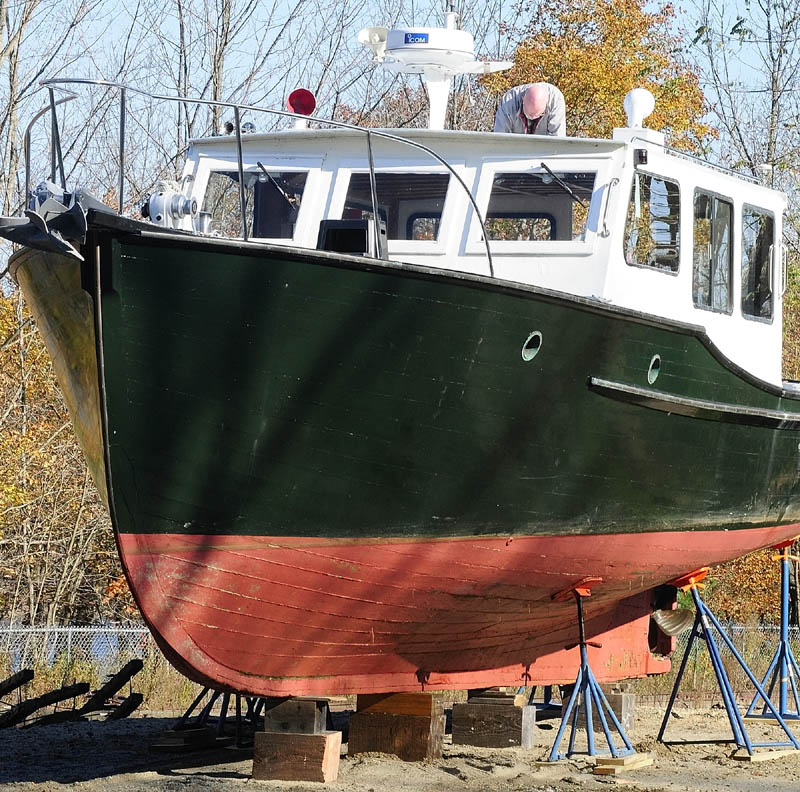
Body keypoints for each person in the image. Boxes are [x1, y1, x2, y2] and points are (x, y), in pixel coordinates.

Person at [493, 82, 566, 136]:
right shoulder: (508, 103)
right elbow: (500, 138)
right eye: (528, 115)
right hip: (514, 150)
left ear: (546, 105)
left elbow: (557, 141)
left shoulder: (556, 101)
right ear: (523, 99)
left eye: (538, 115)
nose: (532, 118)